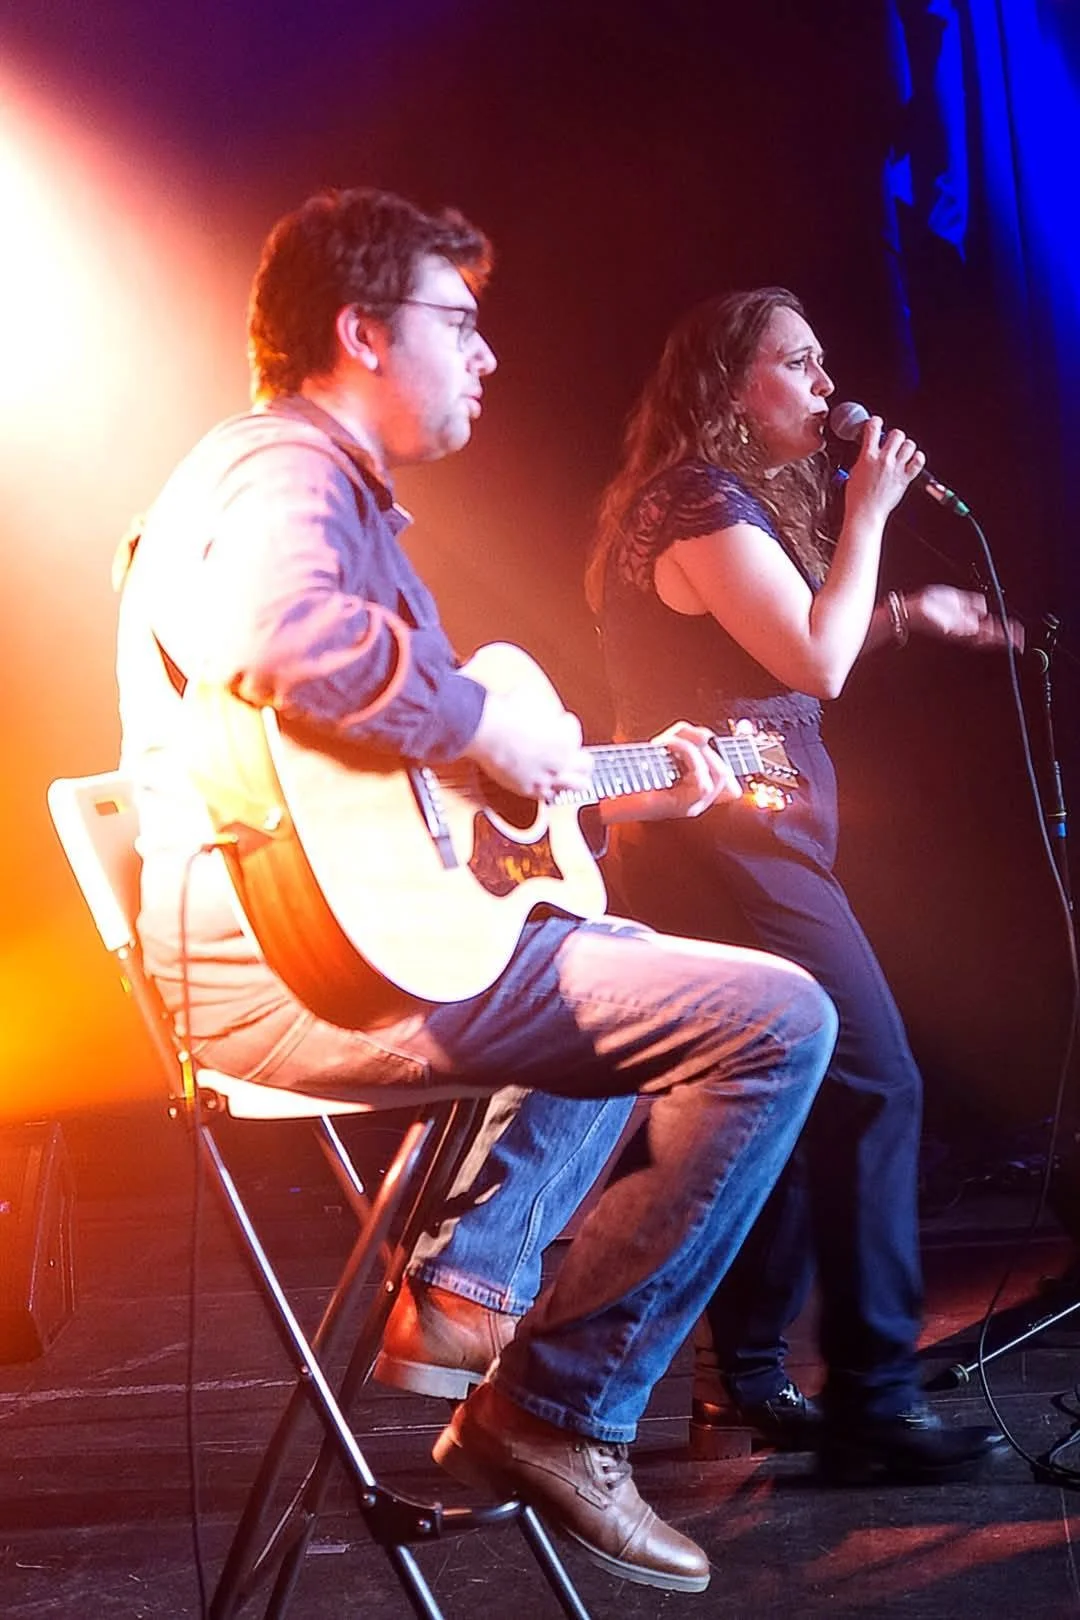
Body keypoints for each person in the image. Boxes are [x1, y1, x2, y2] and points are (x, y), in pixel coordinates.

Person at [114, 193, 842, 1594]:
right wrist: (476, 724)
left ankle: (467, 1294)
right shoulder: (280, 468)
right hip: (284, 975)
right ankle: (557, 1407)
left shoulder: (311, 486)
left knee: (615, 946)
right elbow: (282, 638)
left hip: (326, 942)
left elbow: (420, 810)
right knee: (776, 1019)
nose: (489, 356)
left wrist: (590, 778)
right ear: (360, 333)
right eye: (461, 323)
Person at [378, 286, 1015, 1485]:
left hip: (738, 830)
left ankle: (748, 1384)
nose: (829, 386)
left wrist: (908, 612)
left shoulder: (706, 506)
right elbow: (809, 663)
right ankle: (875, 1397)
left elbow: (791, 635)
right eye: (800, 364)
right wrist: (871, 506)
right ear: (730, 385)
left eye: (827, 363)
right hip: (723, 836)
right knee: (876, 1079)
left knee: (790, 1083)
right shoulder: (695, 501)